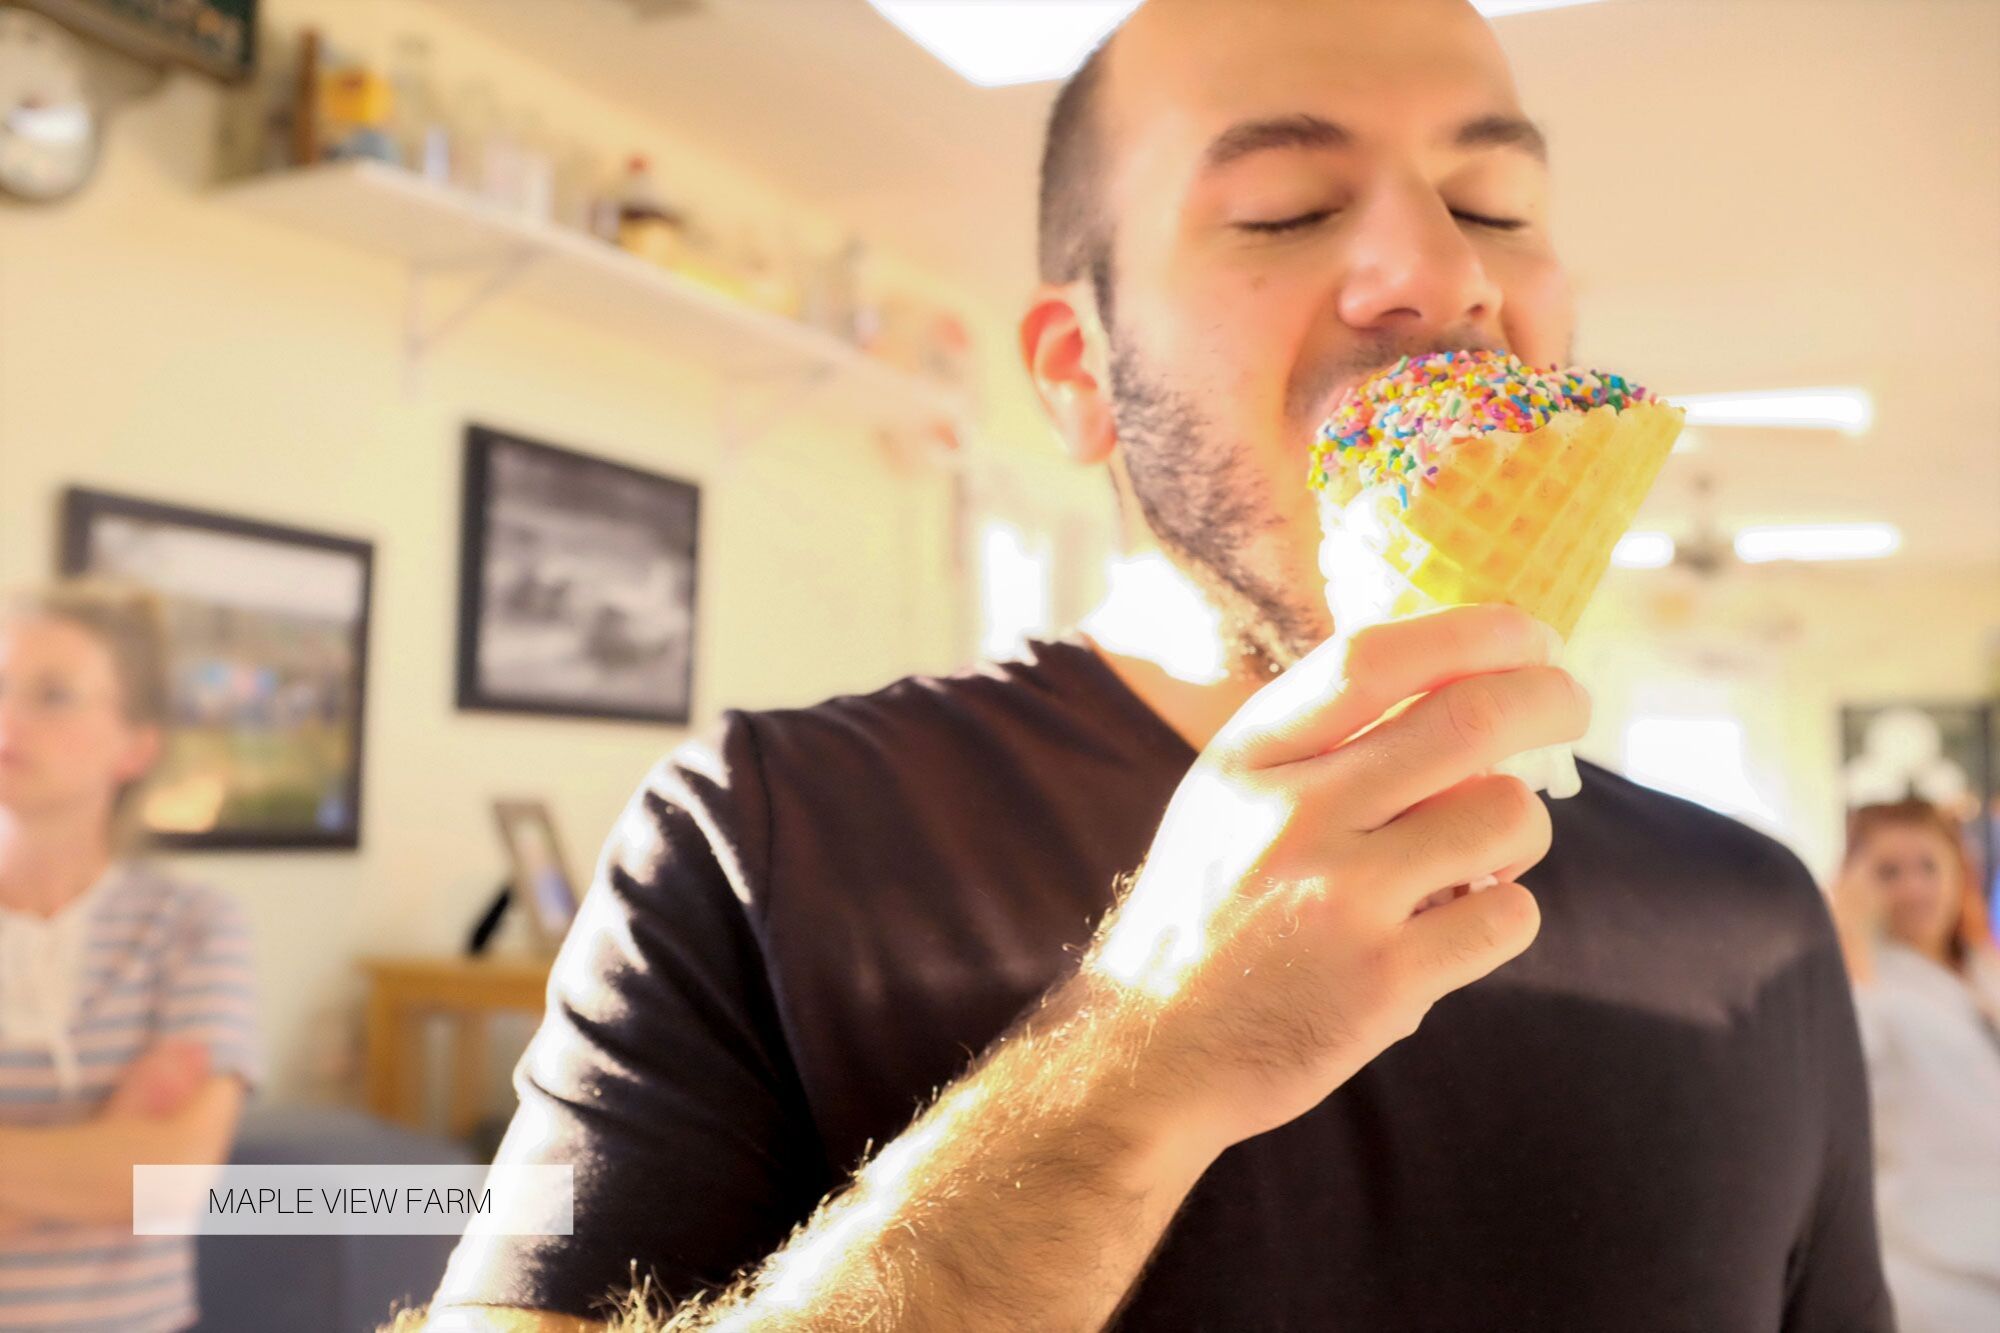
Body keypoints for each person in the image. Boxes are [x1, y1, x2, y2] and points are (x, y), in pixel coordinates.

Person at [424, 0, 1890, 1328]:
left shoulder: (1753, 919)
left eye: (1496, 202)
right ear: (1078, 373)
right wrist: (1134, 1062)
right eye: (1285, 208)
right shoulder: (762, 834)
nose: (1442, 271)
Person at [0, 582, 261, 1331]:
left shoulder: (192, 926)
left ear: (136, 745)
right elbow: (127, 1181)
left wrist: (134, 1172)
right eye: (0, 685)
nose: (8, 716)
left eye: (54, 695)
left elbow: (167, 1185)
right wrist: (99, 1157)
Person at [1832, 799, 2000, 1332]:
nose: (1912, 889)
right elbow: (1846, 1069)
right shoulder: (1863, 992)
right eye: (1888, 872)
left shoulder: (1981, 975)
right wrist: (1848, 939)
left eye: (1928, 866)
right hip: (1933, 1273)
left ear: (1959, 871)